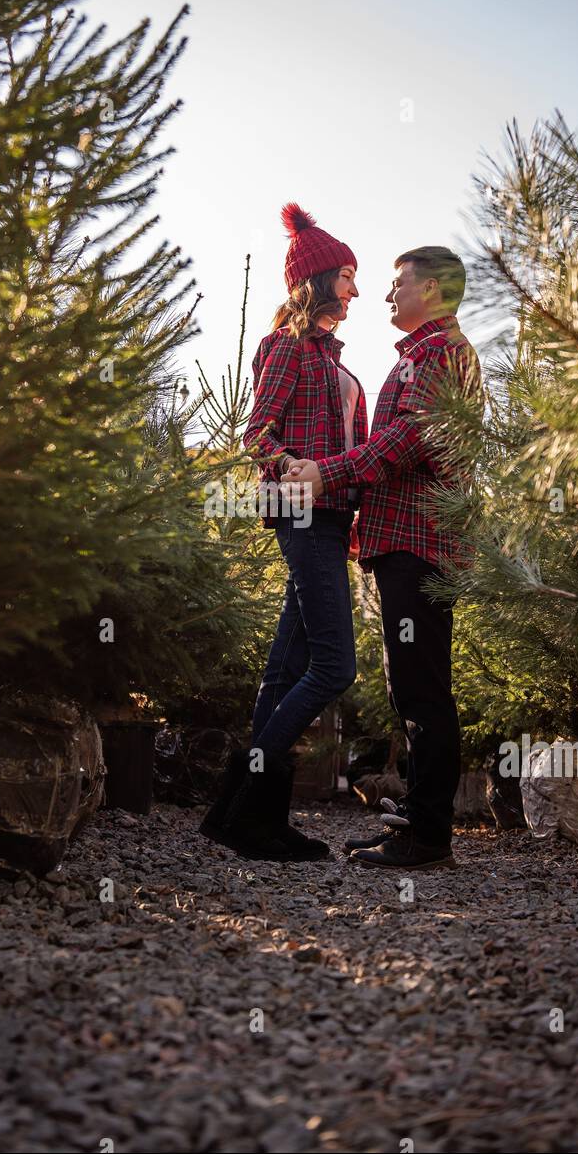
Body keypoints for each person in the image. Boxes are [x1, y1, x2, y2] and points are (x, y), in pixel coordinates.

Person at [284, 247, 482, 871]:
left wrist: (327, 475)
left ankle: (427, 841)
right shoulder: (422, 354)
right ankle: (423, 821)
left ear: (435, 290)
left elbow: (405, 441)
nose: (389, 295)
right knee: (413, 687)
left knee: (422, 691)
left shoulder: (443, 353)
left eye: (399, 284)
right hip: (400, 541)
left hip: (420, 545)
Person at [199, 202, 366, 861]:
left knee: (286, 671)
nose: (354, 289)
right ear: (320, 278)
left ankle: (256, 819)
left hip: (330, 519)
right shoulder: (288, 346)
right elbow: (255, 433)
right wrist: (289, 464)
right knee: (334, 667)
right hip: (303, 514)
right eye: (347, 276)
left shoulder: (328, 352)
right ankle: (241, 810)